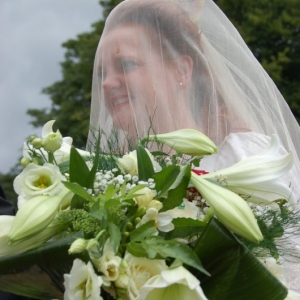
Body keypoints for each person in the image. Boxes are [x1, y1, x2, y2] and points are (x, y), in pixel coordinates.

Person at [87, 0, 300, 293]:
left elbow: (292, 264)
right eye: (101, 74)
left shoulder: (246, 156)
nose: (108, 83)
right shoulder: (109, 190)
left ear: (181, 71)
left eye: (126, 65)